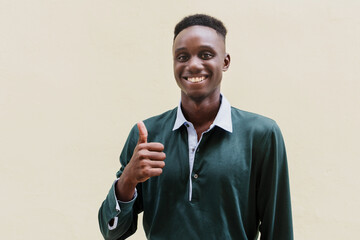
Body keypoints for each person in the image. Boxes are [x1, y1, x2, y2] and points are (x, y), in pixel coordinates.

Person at [98, 14, 293, 240]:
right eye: (182, 57)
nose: (193, 65)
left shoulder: (261, 134)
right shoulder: (146, 135)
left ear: (225, 61)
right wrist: (128, 180)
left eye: (206, 55)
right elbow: (111, 232)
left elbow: (278, 229)